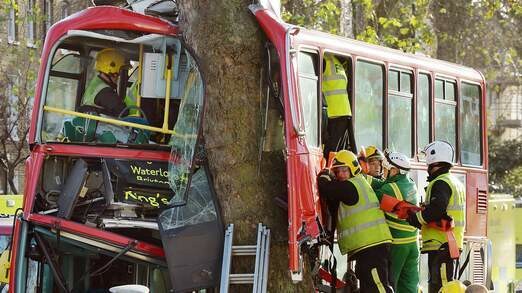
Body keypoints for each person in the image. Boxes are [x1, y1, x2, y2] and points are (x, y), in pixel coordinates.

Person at [318, 150, 394, 293]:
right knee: (369, 287)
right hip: (369, 246)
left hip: (372, 246)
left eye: (344, 170)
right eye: (337, 171)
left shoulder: (351, 186)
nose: (340, 174)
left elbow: (327, 188)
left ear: (353, 169)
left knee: (378, 287)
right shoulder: (357, 183)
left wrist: (324, 174)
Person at [406, 141, 465, 293]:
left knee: (442, 287)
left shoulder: (441, 183)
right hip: (447, 243)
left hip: (442, 244)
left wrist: (416, 218)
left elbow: (437, 210)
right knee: (443, 285)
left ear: (434, 158)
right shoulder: (452, 181)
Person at [373, 151, 420, 293]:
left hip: (398, 245)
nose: (383, 172)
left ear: (394, 170)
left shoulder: (390, 189)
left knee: (390, 283)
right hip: (413, 244)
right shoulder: (411, 184)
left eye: (386, 169)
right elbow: (382, 183)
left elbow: (371, 194)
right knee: (409, 286)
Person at [82, 48, 136, 117]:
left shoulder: (96, 84)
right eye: (119, 71)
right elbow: (123, 112)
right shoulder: (104, 91)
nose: (119, 76)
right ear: (112, 71)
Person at [322, 54, 353, 157]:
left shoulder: (324, 59)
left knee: (330, 153)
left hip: (332, 113)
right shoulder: (335, 62)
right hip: (342, 112)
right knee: (336, 152)